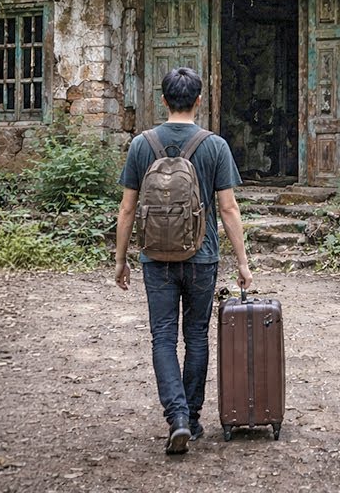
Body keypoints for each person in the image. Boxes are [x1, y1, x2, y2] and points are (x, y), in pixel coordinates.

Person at [113, 66, 254, 455]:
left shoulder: (142, 145)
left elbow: (127, 209)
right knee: (195, 336)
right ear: (198, 101)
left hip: (155, 257)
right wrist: (242, 263)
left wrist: (121, 259)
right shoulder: (214, 146)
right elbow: (228, 209)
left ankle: (175, 417)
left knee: (162, 336)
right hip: (202, 257)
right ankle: (191, 418)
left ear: (163, 100)